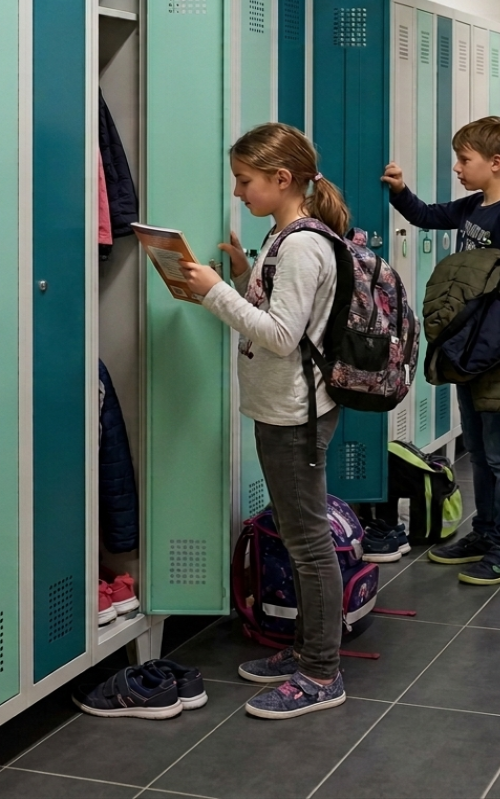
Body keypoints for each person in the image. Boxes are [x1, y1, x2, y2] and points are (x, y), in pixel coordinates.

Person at [179, 122, 347, 720]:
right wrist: (242, 276)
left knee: (308, 545)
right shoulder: (284, 235)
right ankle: (306, 650)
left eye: (244, 180)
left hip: (295, 415)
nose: (237, 192)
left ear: (282, 179)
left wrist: (216, 293)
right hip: (283, 408)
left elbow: (280, 336)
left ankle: (321, 673)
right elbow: (284, 310)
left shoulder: (301, 245)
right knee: (300, 537)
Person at [381, 117, 500, 585]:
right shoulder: (475, 206)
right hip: (470, 351)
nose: (457, 167)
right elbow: (429, 216)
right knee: (481, 449)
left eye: (464, 159)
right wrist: (400, 191)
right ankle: (486, 533)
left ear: (496, 163)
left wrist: (470, 288)